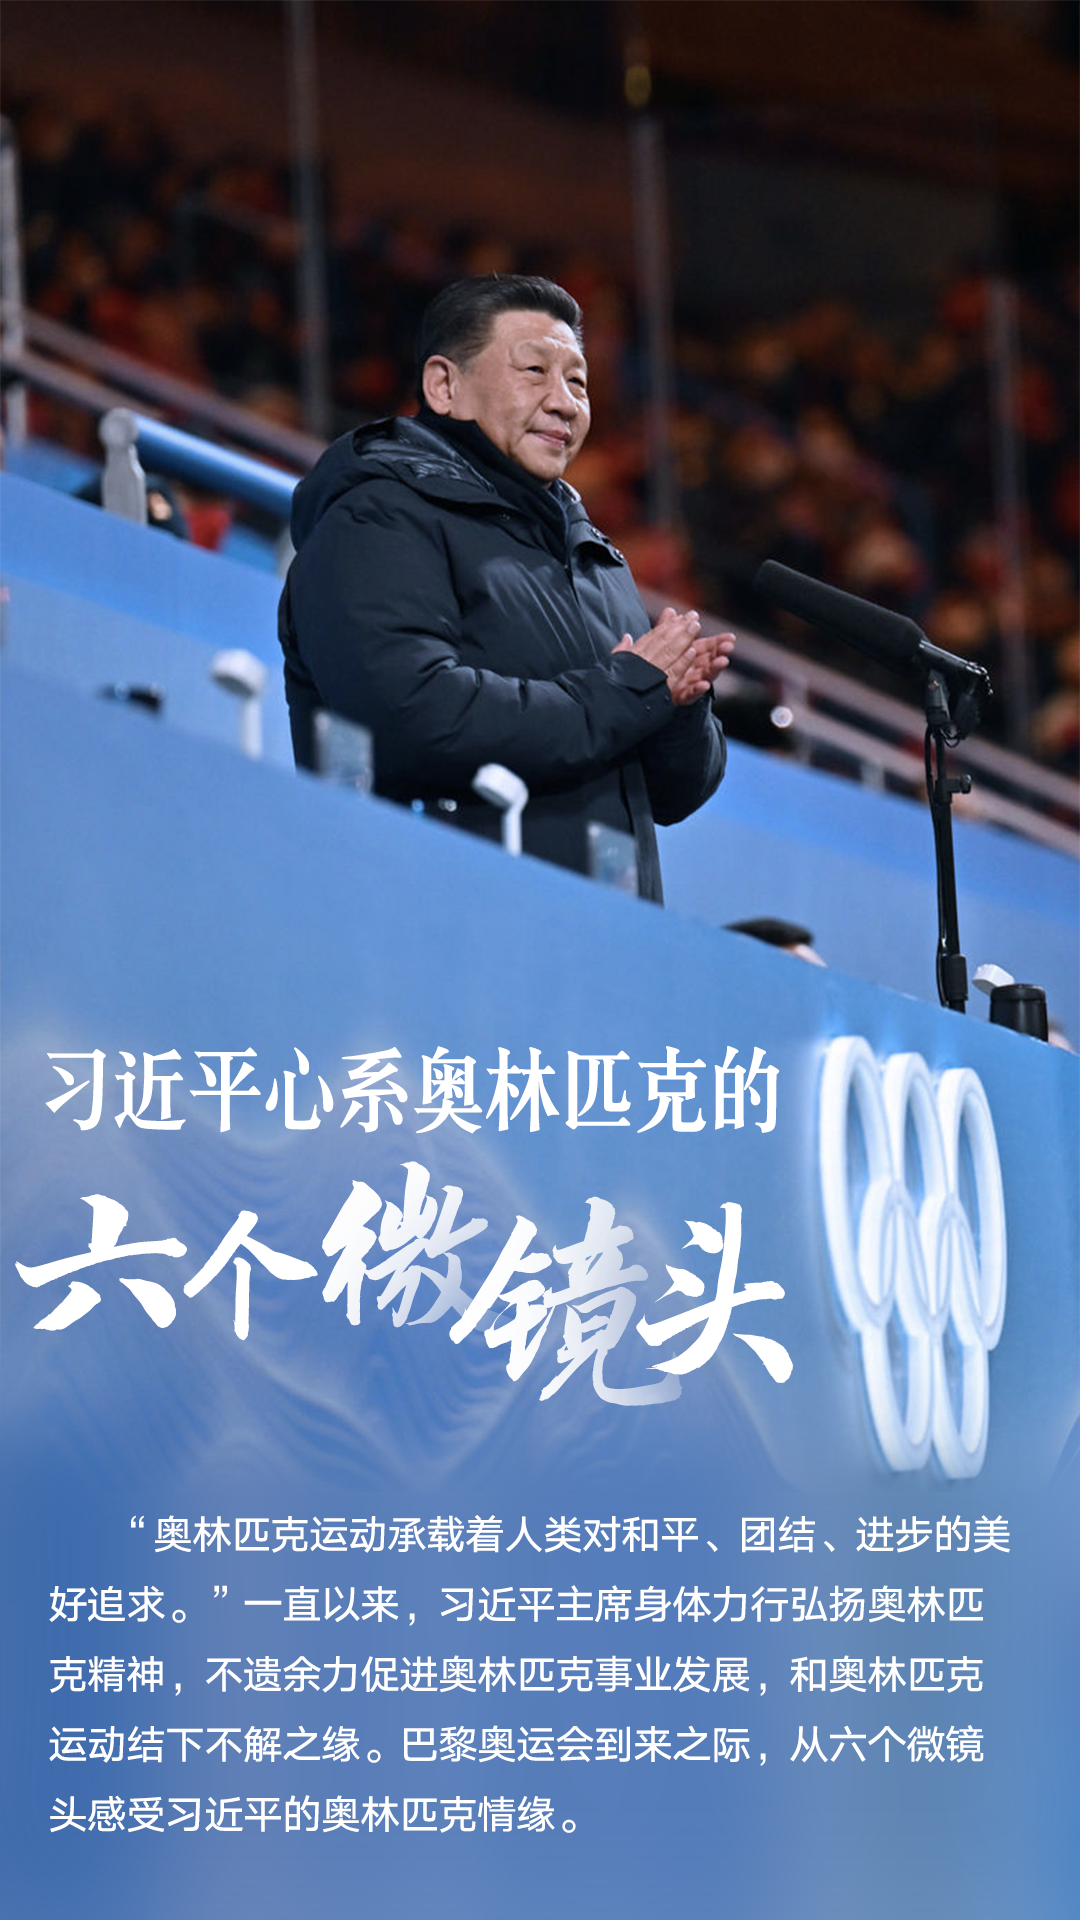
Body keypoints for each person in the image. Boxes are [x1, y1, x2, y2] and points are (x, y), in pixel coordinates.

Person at [279, 274, 733, 900]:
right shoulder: (377, 516)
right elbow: (411, 715)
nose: (565, 403)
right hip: (443, 917)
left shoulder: (596, 559)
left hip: (608, 934)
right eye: (534, 371)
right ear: (445, 386)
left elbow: (670, 796)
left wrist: (677, 702)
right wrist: (629, 689)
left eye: (578, 382)